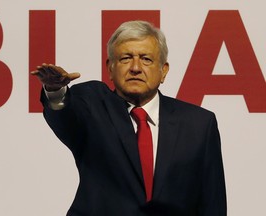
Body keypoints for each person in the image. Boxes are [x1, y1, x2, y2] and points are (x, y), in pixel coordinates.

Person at [31, 20, 227, 216]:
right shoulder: (92, 105)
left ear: (163, 71)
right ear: (110, 68)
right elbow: (65, 115)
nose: (135, 67)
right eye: (126, 58)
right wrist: (56, 91)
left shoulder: (199, 124)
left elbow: (212, 203)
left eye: (146, 59)